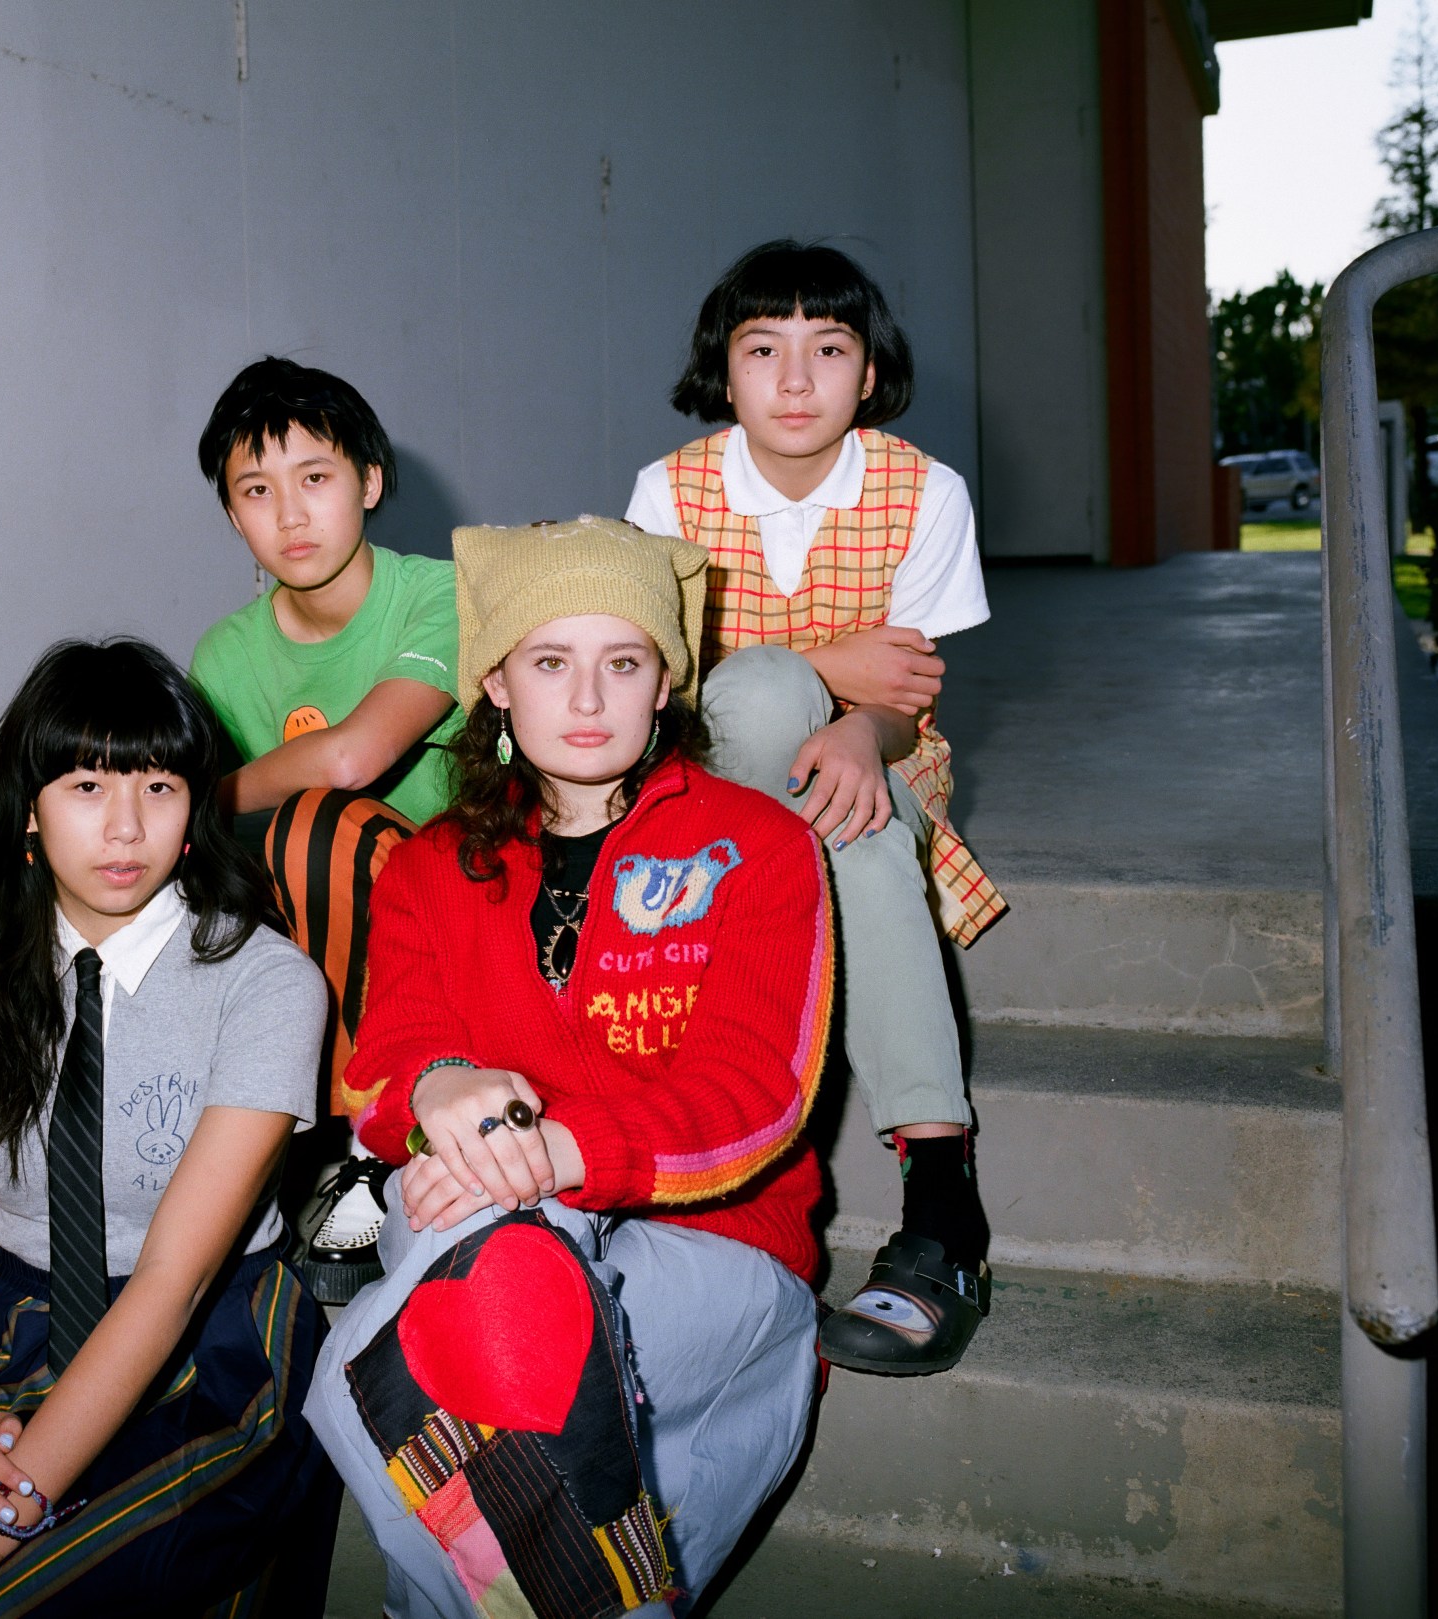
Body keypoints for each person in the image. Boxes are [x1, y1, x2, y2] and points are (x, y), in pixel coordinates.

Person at [310, 517, 832, 1619]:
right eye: (550, 661)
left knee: (394, 1360)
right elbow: (386, 1069)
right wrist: (439, 1083)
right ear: (495, 680)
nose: (587, 698)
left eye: (623, 661)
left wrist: (556, 1150)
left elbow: (755, 1096)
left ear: (664, 685)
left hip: (709, 1244)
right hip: (472, 1221)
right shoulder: (425, 868)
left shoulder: (759, 845)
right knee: (487, 1261)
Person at [0, 639, 336, 1619]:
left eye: (160, 785)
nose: (126, 824)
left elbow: (172, 1284)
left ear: (193, 812)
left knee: (34, 1594)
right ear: (30, 812)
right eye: (87, 783)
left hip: (202, 1333)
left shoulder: (267, 986)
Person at [626, 238, 1004, 1377]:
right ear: (723, 372)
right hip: (708, 771)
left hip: (883, 762)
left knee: (861, 816)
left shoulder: (921, 491)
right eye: (763, 349)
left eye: (826, 348)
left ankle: (930, 1192)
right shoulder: (667, 491)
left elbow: (906, 699)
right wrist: (833, 665)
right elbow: (670, 689)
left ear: (868, 373)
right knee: (760, 689)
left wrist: (856, 725)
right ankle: (945, 1208)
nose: (795, 381)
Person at [191, 356, 462, 1303]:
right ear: (233, 515)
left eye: (316, 479)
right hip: (314, 920)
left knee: (315, 823)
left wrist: (207, 798)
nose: (291, 515)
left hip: (456, 901)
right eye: (256, 491)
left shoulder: (440, 594)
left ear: (370, 483)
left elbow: (350, 759)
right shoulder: (226, 653)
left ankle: (364, 1147)